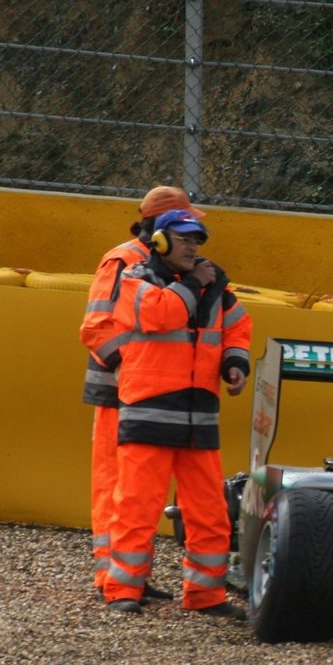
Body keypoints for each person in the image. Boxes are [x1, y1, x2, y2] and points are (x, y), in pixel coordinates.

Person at [102, 208, 252, 617]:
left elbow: (238, 325)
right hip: (148, 412)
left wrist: (234, 362)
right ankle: (123, 593)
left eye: (197, 241)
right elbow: (157, 315)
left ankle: (205, 597)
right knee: (136, 509)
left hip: (198, 416)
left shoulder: (214, 285)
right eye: (185, 240)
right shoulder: (136, 279)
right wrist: (192, 283)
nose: (193, 247)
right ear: (162, 242)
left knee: (211, 515)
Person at [79, 186, 204, 603]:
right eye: (183, 228)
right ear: (160, 229)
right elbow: (96, 328)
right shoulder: (124, 260)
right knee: (117, 486)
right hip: (122, 394)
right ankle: (111, 579)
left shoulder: (169, 263)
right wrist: (134, 371)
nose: (192, 238)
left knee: (138, 493)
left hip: (150, 396)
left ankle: (130, 577)